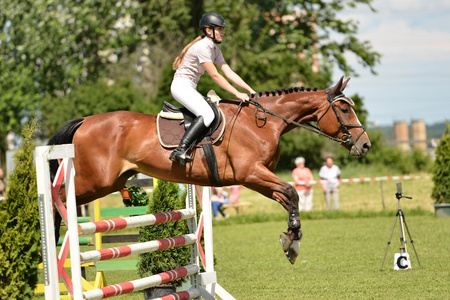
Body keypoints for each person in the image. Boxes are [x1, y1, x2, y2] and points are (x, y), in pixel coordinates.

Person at [169, 12, 256, 164]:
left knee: (216, 111)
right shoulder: (202, 47)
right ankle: (180, 150)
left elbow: (228, 72)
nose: (223, 32)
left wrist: (251, 90)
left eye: (223, 29)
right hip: (181, 86)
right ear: (209, 30)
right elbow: (215, 76)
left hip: (189, 87)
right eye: (220, 29)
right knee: (208, 115)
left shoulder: (214, 49)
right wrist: (236, 93)